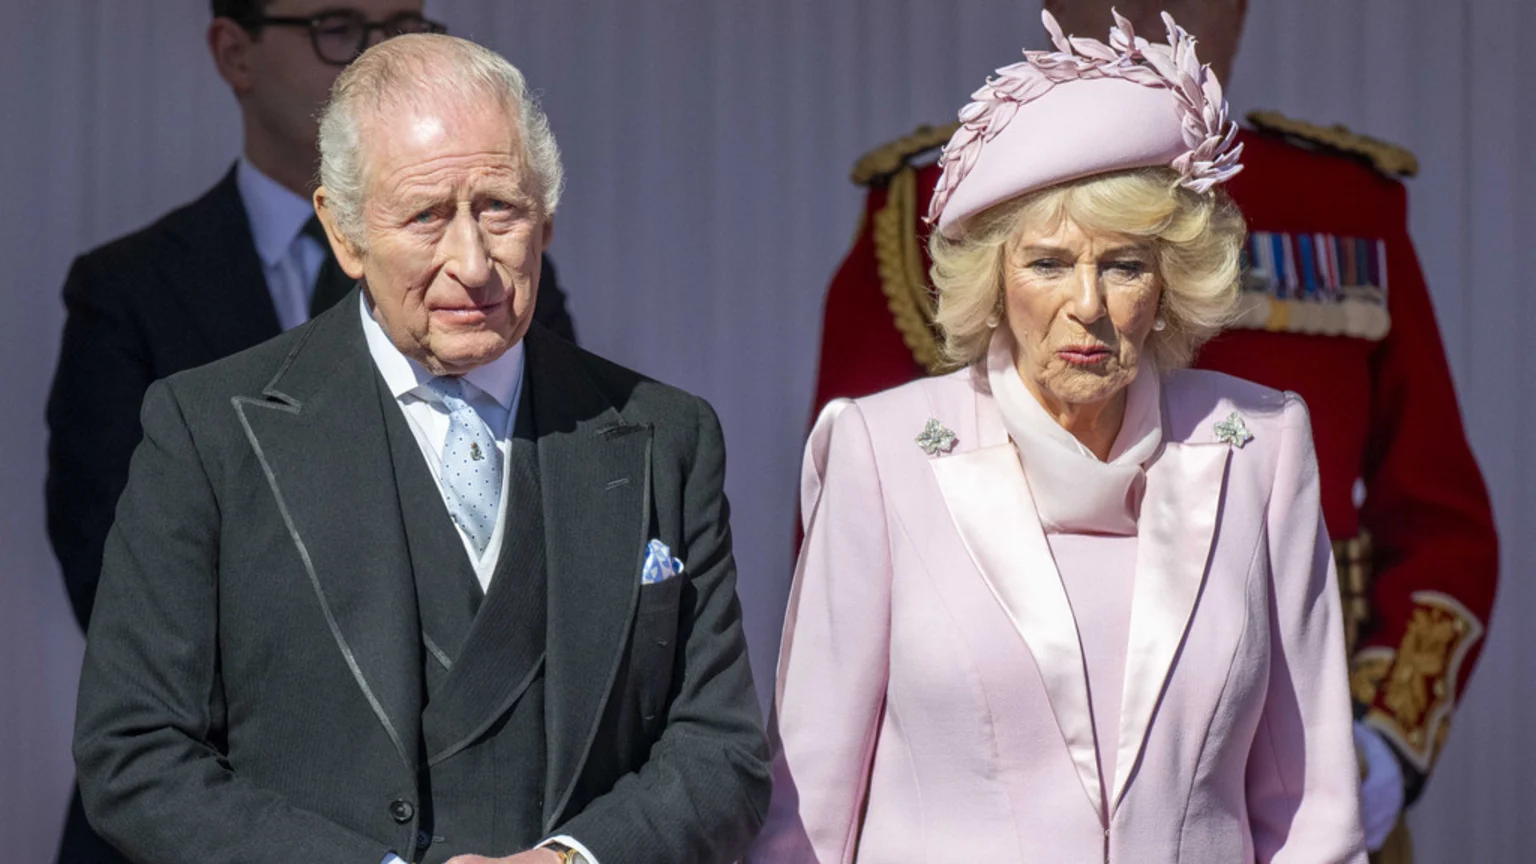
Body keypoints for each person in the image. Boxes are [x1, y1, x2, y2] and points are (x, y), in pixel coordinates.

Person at [806, 1, 1497, 859]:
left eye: (1127, 267)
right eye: (1050, 264)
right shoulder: (935, 204)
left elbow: (1439, 522)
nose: (1090, 307)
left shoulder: (1343, 205)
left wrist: (1382, 743)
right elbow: (851, 585)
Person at [73, 34, 768, 864]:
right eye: (426, 216)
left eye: (499, 208)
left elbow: (720, 750)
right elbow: (135, 753)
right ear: (344, 232)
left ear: (546, 217)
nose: (471, 263)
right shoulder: (209, 433)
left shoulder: (663, 435)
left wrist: (569, 861)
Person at [48, 9, 577, 859]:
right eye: (336, 25)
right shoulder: (130, 293)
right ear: (235, 51)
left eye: (399, 21)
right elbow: (119, 594)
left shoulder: (492, 289)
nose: (377, 52)